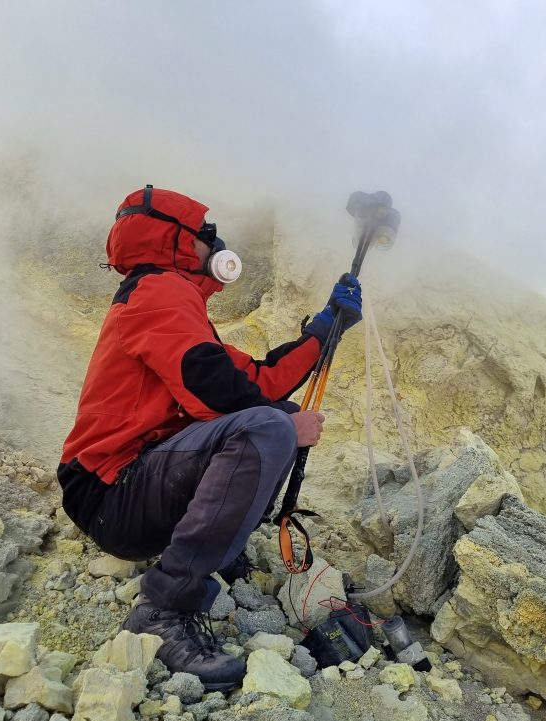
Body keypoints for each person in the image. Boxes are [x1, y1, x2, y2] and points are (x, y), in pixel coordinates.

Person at [57, 185, 362, 691]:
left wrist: (326, 330)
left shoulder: (172, 301)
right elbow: (221, 394)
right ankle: (165, 608)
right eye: (206, 234)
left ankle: (218, 545)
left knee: (274, 415)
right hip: (109, 494)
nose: (215, 244)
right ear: (174, 239)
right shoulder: (159, 290)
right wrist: (285, 427)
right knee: (268, 426)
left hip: (128, 487)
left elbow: (256, 381)